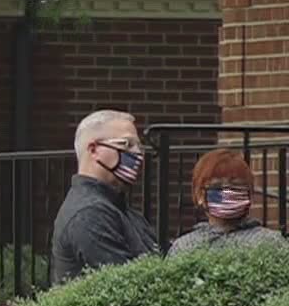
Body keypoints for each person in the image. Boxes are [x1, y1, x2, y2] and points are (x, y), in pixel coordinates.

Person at [50, 110, 158, 286]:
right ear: (94, 150)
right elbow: (128, 287)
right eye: (127, 144)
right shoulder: (89, 214)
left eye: (139, 146)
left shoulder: (117, 207)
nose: (138, 154)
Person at [168, 149, 287, 256]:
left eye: (236, 185)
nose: (227, 192)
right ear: (199, 195)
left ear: (250, 194)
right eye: (217, 186)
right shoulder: (184, 247)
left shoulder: (271, 244)